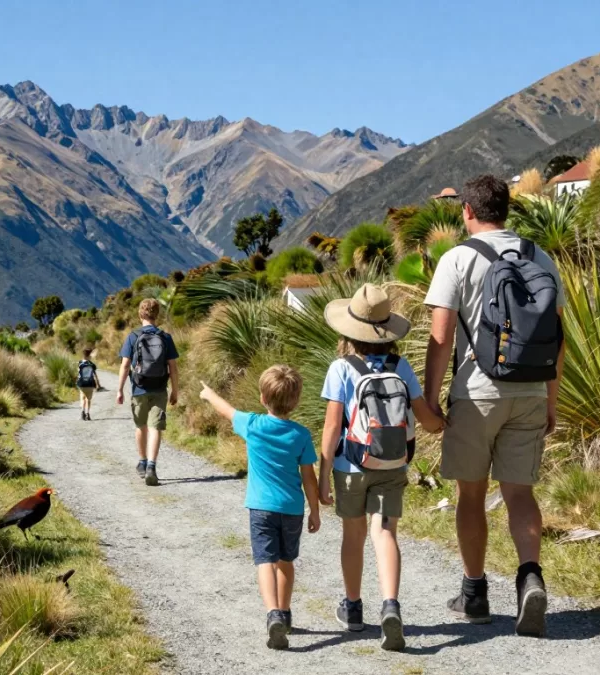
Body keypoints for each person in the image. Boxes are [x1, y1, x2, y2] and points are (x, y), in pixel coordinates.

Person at [423, 174, 566, 637]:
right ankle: (530, 578)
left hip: (476, 393)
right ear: (507, 209)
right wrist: (551, 398)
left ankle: (475, 592)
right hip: (529, 390)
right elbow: (557, 339)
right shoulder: (538, 256)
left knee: (470, 494)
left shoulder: (457, 259)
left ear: (466, 210)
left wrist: (429, 397)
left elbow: (441, 337)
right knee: (519, 493)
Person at [318, 283, 444, 652]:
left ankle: (353, 608)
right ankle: (391, 605)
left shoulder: (341, 368)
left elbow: (330, 428)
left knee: (353, 534)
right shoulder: (401, 366)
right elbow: (424, 416)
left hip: (351, 465)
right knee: (385, 532)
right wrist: (444, 424)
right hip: (392, 462)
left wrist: (324, 477)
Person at [199, 366, 320, 651]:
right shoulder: (301, 435)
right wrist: (315, 510)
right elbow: (309, 478)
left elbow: (226, 410)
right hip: (292, 508)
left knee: (264, 560)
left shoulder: (252, 424)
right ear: (297, 400)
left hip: (261, 508)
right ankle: (286, 613)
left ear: (263, 398)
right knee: (286, 561)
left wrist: (208, 393)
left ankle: (273, 614)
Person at [116, 299, 180, 486]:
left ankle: (143, 462)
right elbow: (173, 368)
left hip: (138, 388)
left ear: (140, 314)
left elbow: (125, 365)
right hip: (160, 389)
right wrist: (175, 390)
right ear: (156, 314)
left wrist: (119, 390)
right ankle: (152, 465)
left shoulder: (133, 336)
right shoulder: (165, 338)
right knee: (156, 427)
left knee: (141, 426)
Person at [77, 348, 100, 421]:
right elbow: (95, 375)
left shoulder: (80, 363)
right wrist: (98, 384)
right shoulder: (92, 365)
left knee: (82, 398)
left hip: (82, 384)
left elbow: (78, 374)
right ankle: (87, 414)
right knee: (88, 399)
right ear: (90, 355)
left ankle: (82, 412)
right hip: (90, 384)